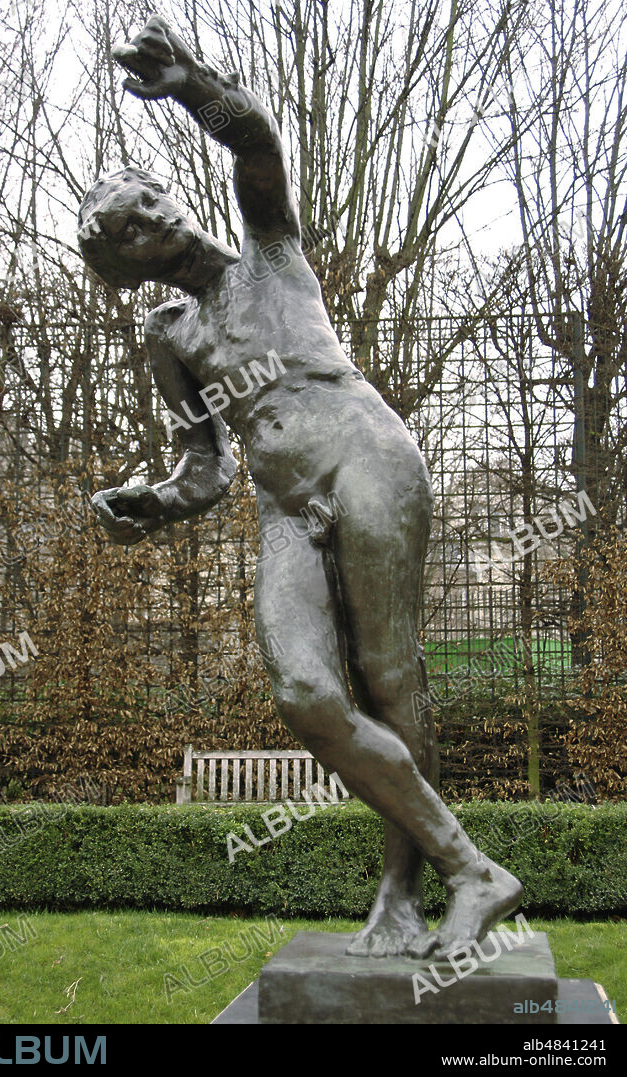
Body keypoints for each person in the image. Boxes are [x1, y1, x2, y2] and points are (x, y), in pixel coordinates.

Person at [80, 15, 522, 959]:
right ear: (126, 262)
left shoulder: (268, 251)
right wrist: (150, 501)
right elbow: (205, 467)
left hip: (362, 456)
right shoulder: (169, 338)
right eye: (129, 226)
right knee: (305, 692)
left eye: (150, 196)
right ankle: (472, 869)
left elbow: (256, 139)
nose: (154, 215)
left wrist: (192, 84)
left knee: (391, 675)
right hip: (284, 508)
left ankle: (405, 894)